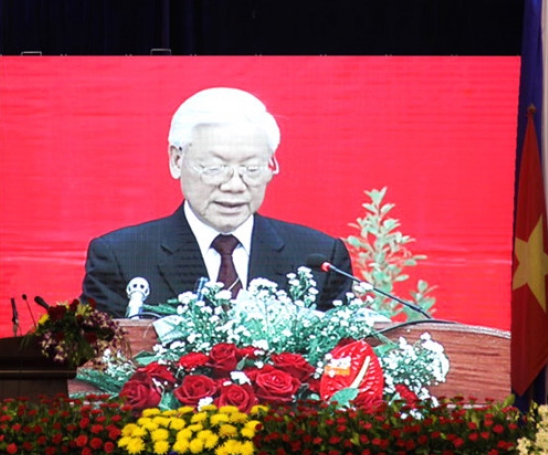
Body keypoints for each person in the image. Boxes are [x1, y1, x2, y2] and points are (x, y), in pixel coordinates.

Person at [81, 87, 353, 317]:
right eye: (215, 167)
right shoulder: (122, 257)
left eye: (252, 168)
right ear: (177, 160)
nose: (234, 185)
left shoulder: (319, 258)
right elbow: (95, 363)